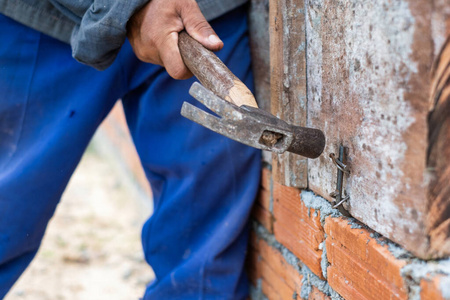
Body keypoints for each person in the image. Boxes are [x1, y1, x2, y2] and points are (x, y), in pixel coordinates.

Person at [0, 0, 261, 299]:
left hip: (203, 19)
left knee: (199, 263)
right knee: (8, 208)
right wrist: (127, 7)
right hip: (46, 20)